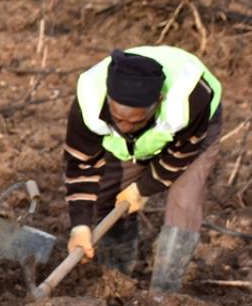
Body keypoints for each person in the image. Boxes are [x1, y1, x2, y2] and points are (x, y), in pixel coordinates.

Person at [63, 46, 223, 293]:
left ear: (157, 103)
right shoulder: (89, 99)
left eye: (135, 121)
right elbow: (81, 163)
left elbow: (182, 153)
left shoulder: (190, 99)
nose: (125, 127)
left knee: (184, 199)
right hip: (138, 144)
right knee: (108, 193)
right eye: (118, 118)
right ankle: (116, 279)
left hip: (194, 133)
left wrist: (143, 189)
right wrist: (80, 226)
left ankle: (163, 293)